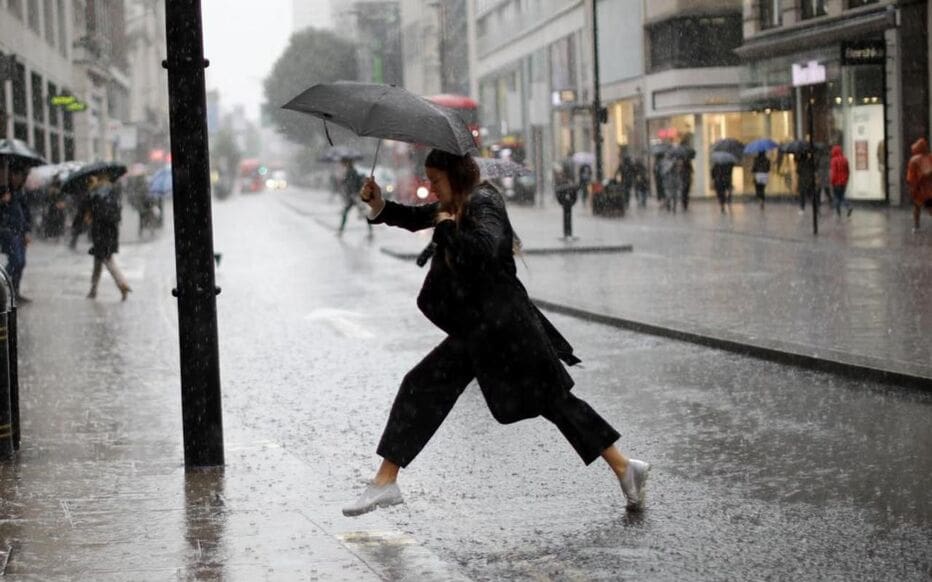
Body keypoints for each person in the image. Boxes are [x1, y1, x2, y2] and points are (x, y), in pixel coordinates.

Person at [341, 149, 651, 517]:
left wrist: (446, 228)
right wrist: (380, 205)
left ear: (454, 176)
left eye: (435, 179)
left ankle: (624, 467)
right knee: (426, 385)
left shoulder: (483, 201)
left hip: (506, 328)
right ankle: (385, 480)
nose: (431, 186)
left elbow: (486, 247)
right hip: (483, 327)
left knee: (555, 403)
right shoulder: (455, 201)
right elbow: (414, 217)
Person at [84, 174, 131, 301]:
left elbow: (90, 214)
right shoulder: (112, 193)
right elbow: (117, 215)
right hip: (111, 233)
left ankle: (122, 284)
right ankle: (93, 290)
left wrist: (90, 195)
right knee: (98, 263)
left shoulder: (95, 195)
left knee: (108, 261)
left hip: (100, 234)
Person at [0, 164, 33, 303]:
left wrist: (27, 231)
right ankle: (2, 284)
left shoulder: (20, 192)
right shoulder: (3, 190)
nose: (18, 179)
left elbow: (26, 213)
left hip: (19, 232)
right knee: (15, 261)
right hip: (8, 231)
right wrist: (1, 201)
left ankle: (15, 291)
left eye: (20, 176)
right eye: (15, 175)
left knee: (21, 262)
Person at [337, 157, 371, 237]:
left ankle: (341, 231)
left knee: (348, 213)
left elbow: (351, 184)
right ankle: (370, 231)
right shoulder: (351, 171)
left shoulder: (351, 172)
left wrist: (349, 190)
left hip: (354, 196)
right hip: (354, 196)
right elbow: (349, 182)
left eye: (343, 163)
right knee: (361, 213)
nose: (342, 165)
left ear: (346, 163)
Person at [905, 137, 932, 231]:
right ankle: (916, 225)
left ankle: (916, 226)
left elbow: (911, 177)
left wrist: (912, 188)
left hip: (919, 189)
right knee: (928, 207)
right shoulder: (930, 157)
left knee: (917, 207)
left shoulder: (914, 160)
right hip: (929, 189)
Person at [829, 145, 852, 217]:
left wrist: (832, 181)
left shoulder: (833, 160)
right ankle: (840, 211)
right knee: (841, 196)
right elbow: (848, 171)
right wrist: (846, 179)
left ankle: (845, 208)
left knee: (837, 197)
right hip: (844, 182)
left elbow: (834, 173)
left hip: (836, 182)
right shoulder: (845, 159)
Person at [795, 148, 816, 214]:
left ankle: (802, 208)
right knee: (810, 194)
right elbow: (813, 168)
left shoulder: (800, 162)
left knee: (802, 195)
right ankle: (815, 207)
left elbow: (798, 171)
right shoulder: (809, 161)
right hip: (809, 180)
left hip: (802, 180)